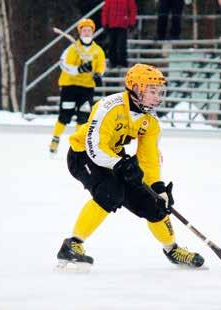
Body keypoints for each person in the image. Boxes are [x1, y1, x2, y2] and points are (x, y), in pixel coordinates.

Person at [56, 63, 205, 270]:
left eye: (159, 91)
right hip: (84, 156)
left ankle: (172, 250)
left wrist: (158, 187)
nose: (157, 96)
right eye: (152, 91)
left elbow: (149, 158)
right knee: (111, 192)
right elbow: (94, 146)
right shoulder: (109, 106)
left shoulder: (150, 120)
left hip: (116, 159)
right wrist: (119, 164)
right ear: (135, 88)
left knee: (153, 203)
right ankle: (72, 245)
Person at [49, 19, 106, 155]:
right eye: (84, 30)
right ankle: (55, 139)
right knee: (65, 116)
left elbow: (101, 66)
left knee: (83, 116)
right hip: (70, 86)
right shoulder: (72, 49)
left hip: (87, 88)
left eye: (89, 30)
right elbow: (64, 64)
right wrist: (78, 69)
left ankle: (76, 144)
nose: (86, 33)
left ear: (93, 32)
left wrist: (98, 75)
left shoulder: (98, 51)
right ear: (80, 32)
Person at [101, 0, 137, 68]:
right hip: (111, 25)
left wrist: (132, 23)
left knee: (122, 45)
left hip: (123, 25)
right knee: (112, 45)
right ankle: (113, 62)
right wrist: (105, 23)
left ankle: (123, 62)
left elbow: (132, 9)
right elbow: (105, 10)